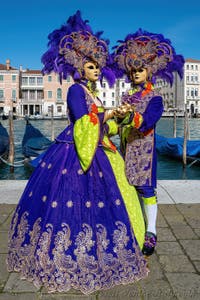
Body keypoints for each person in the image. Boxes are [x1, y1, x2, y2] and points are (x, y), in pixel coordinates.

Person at [7, 12, 148, 295]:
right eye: (91, 66)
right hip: (76, 149)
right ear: (80, 68)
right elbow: (84, 121)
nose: (97, 70)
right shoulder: (74, 90)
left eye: (98, 66)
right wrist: (107, 112)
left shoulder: (92, 92)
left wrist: (116, 116)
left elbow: (100, 122)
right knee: (70, 202)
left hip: (98, 147)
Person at [112, 29, 184, 256]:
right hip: (125, 150)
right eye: (133, 70)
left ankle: (151, 232)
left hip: (144, 151)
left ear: (149, 72)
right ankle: (133, 226)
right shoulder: (126, 98)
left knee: (146, 188)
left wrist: (128, 116)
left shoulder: (156, 98)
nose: (135, 74)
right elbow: (118, 124)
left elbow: (148, 122)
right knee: (127, 189)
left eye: (140, 70)